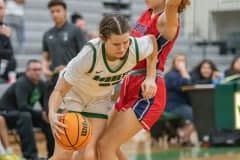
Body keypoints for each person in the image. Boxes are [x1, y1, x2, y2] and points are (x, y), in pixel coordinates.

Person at [48, 14, 158, 160]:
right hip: (74, 94)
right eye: (116, 44)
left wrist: (151, 77)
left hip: (99, 99)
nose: (122, 48)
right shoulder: (89, 54)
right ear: (102, 38)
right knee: (64, 154)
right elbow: (59, 90)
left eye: (125, 42)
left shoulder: (135, 47)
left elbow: (152, 41)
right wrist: (51, 114)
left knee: (89, 154)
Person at [97, 0, 190, 159]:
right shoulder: (147, 14)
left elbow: (172, 5)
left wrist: (150, 76)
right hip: (129, 84)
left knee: (106, 146)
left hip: (147, 90)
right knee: (102, 142)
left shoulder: (167, 18)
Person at [0, 60, 54, 160]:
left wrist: (47, 114)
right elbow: (22, 106)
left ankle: (52, 154)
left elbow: (44, 105)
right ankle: (31, 156)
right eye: (34, 69)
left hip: (23, 114)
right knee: (26, 116)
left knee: (47, 119)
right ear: (27, 71)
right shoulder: (22, 83)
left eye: (39, 69)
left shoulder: (41, 84)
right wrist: (40, 114)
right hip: (6, 114)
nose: (37, 72)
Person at [42, 0, 87, 112]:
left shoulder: (75, 30)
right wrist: (45, 69)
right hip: (54, 79)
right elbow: (45, 56)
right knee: (52, 113)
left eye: (58, 11)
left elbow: (85, 54)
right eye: (52, 11)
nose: (55, 14)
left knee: (69, 114)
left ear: (65, 11)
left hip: (72, 79)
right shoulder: (48, 34)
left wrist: (67, 67)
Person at [164, 54, 194, 144]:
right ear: (174, 63)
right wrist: (183, 70)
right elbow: (186, 83)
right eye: (179, 61)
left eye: (183, 61)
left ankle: (183, 135)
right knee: (198, 115)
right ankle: (184, 136)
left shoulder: (183, 74)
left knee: (200, 113)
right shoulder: (170, 75)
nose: (181, 63)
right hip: (173, 106)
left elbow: (191, 82)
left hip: (182, 105)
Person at [0, 0, 16, 83]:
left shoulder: (5, 27)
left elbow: (10, 52)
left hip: (3, 64)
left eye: (1, 8)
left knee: (12, 61)